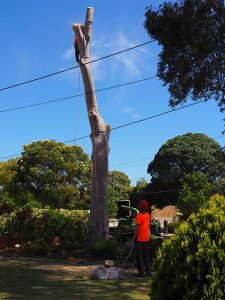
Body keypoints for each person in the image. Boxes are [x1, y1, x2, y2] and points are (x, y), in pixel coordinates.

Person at [133, 200, 151, 277]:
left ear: (140, 207)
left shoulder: (139, 216)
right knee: (146, 256)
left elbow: (137, 229)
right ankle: (148, 272)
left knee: (139, 256)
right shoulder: (148, 215)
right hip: (146, 238)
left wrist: (134, 237)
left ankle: (141, 273)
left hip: (139, 239)